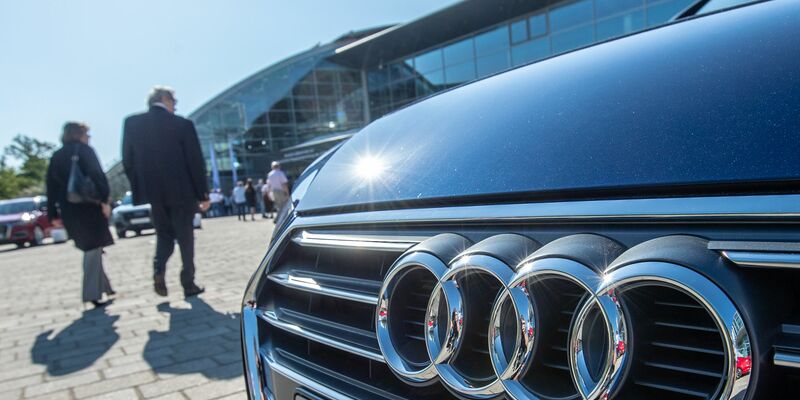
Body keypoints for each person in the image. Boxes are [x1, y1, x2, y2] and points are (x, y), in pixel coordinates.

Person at [122, 86, 209, 297]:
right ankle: (188, 283)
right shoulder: (182, 124)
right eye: (174, 102)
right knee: (185, 238)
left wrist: (141, 186)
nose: (175, 106)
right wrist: (203, 194)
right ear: (164, 99)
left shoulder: (132, 123)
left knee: (164, 235)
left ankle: (158, 270)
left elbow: (128, 160)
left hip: (154, 194)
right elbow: (195, 161)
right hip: (182, 192)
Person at [46, 122, 115, 308]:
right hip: (88, 207)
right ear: (80, 134)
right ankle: (91, 293)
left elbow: (50, 187)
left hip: (69, 211)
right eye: (87, 134)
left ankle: (106, 288)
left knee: (92, 247)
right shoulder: (84, 151)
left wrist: (52, 214)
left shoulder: (56, 156)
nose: (89, 137)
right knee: (92, 248)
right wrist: (104, 201)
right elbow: (98, 176)